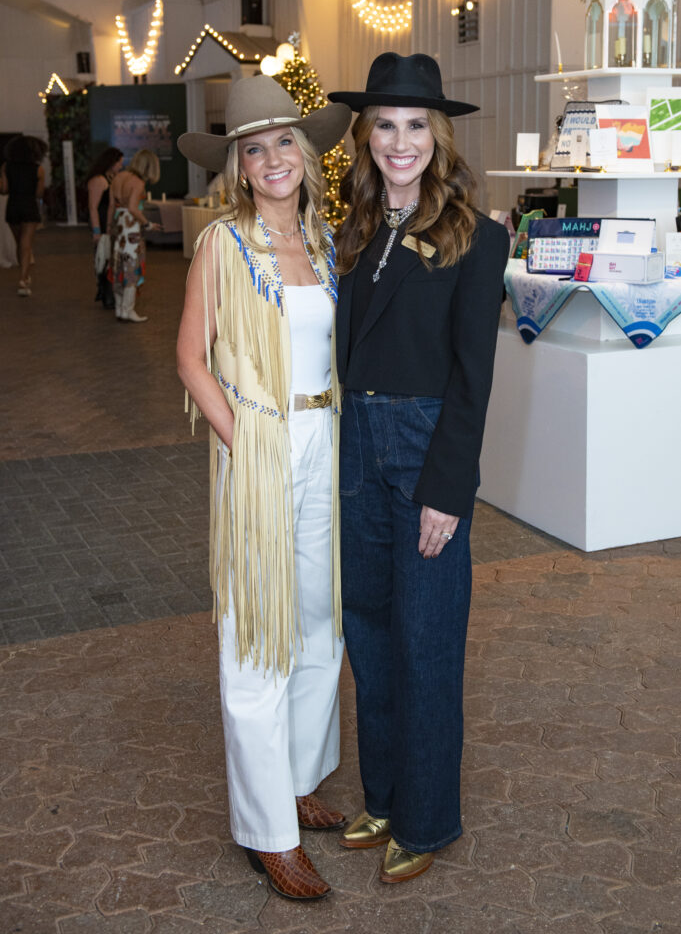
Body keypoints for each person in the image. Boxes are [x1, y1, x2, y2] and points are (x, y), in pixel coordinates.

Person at [328, 53, 508, 883]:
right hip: (356, 449)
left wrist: (447, 491)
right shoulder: (354, 228)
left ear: (436, 137)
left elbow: (474, 376)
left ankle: (428, 819)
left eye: (414, 127)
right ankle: (384, 795)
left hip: (424, 449)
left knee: (425, 642)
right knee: (368, 633)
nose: (398, 142)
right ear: (364, 138)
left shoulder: (478, 235)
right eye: (383, 126)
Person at [176, 75, 351, 901]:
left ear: (306, 153)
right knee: (257, 634)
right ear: (239, 168)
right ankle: (266, 832)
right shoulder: (223, 244)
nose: (274, 157)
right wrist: (245, 444)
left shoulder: (323, 242)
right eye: (256, 148)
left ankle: (299, 777)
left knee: (319, 619)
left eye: (285, 141)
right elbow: (190, 358)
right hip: (260, 442)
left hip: (328, 438)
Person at [108, 148, 161, 322]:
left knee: (118, 267)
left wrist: (109, 228)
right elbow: (132, 208)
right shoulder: (137, 182)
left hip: (117, 226)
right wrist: (148, 223)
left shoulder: (118, 177)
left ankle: (119, 308)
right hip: (131, 229)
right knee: (131, 269)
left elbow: (111, 207)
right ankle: (128, 309)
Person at [0, 135, 48, 296]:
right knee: (26, 244)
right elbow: (39, 194)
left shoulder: (6, 167)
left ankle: (24, 276)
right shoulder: (38, 169)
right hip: (29, 207)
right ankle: (23, 278)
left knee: (18, 243)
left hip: (12, 206)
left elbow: (4, 190)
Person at [86, 146, 124, 308]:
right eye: (119, 162)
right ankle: (107, 295)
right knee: (103, 258)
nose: (121, 165)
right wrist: (97, 231)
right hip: (101, 224)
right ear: (112, 162)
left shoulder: (110, 178)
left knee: (110, 258)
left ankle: (108, 293)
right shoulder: (99, 180)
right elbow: (93, 207)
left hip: (109, 224)